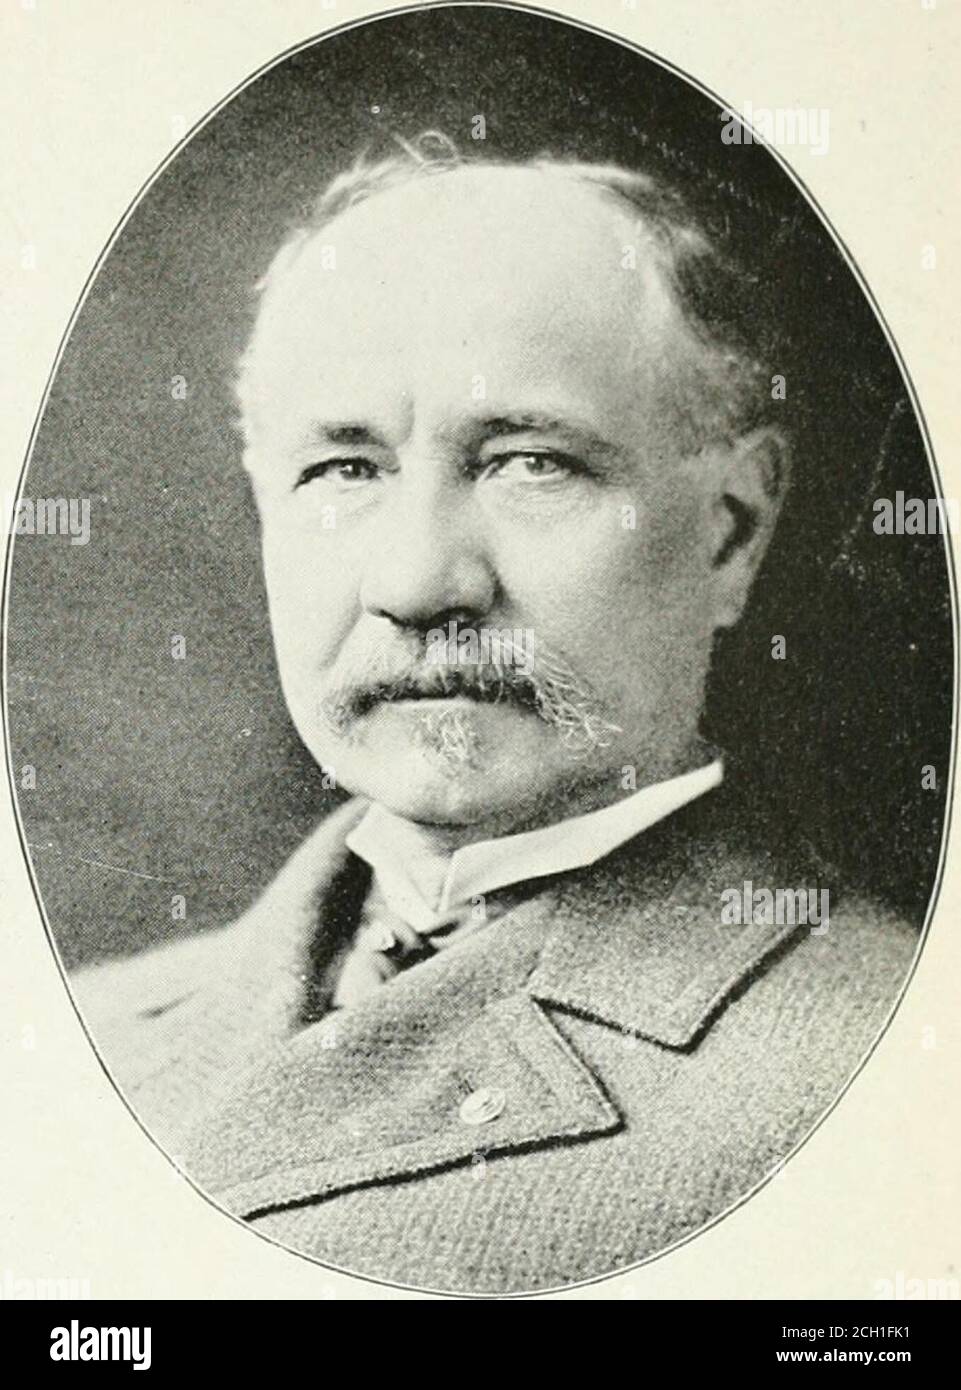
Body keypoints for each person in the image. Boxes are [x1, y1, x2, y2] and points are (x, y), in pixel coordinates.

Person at [74, 136, 916, 1295]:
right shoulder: (85, 1033)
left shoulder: (888, 1077)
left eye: (530, 463)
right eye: (344, 470)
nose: (418, 584)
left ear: (730, 530)